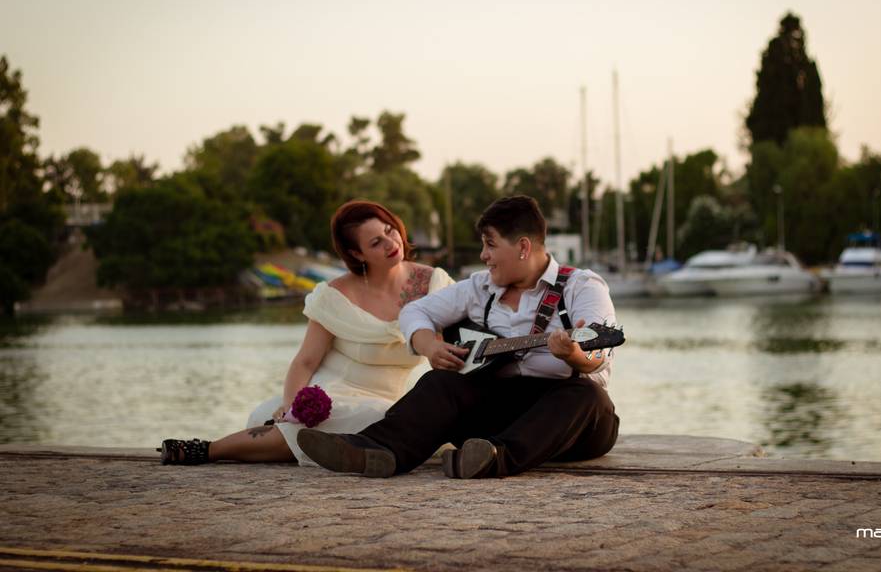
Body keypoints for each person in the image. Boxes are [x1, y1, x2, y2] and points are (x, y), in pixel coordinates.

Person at [296, 195, 619, 478]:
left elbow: (598, 356)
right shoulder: (480, 287)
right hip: (500, 413)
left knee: (586, 396)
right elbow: (414, 312)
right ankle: (375, 450)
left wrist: (572, 354)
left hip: (569, 427)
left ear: (523, 247)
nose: (483, 255)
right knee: (441, 382)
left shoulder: (582, 286)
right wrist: (429, 345)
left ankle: (495, 459)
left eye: (490, 244)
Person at [158, 200, 454, 465]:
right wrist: (293, 407)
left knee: (401, 419)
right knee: (360, 421)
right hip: (332, 392)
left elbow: (449, 350)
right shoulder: (334, 296)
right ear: (357, 253)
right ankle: (208, 450)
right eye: (376, 242)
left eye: (390, 231)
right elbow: (305, 362)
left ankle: (271, 442)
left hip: (386, 399)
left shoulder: (433, 284)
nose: (391, 243)